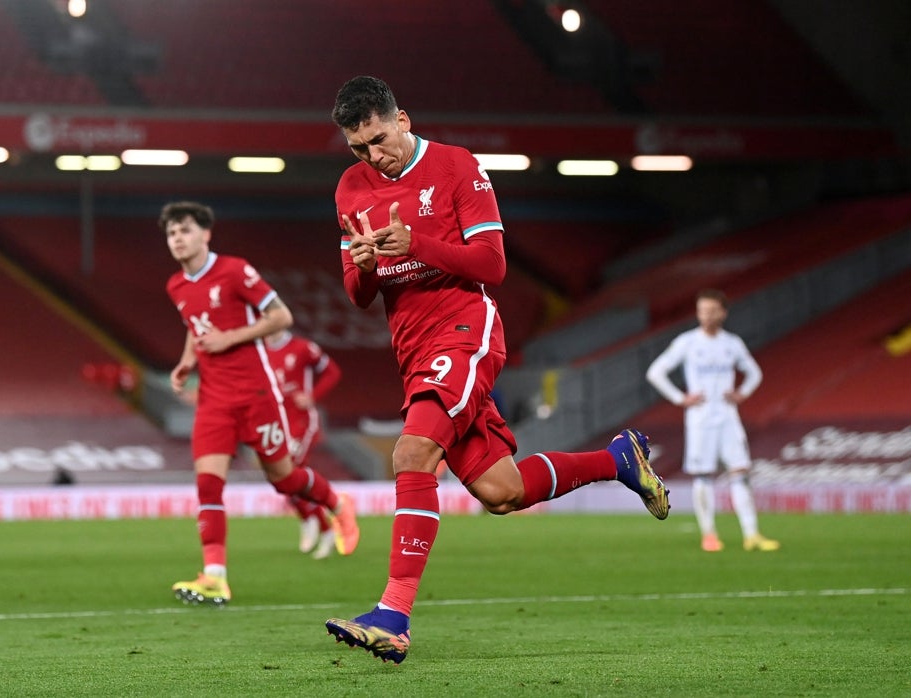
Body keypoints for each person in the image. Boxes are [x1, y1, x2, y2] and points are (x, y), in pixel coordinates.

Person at [322, 76, 670, 664]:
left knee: (410, 455)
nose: (372, 157)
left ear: (402, 119)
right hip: (413, 352)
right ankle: (620, 460)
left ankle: (393, 615)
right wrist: (362, 266)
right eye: (358, 148)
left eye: (378, 140)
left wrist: (416, 246)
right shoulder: (351, 188)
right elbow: (359, 294)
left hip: (464, 330)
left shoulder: (457, 167)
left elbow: (493, 264)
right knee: (501, 491)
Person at [161, 200, 360, 608]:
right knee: (208, 485)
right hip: (214, 399)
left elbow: (281, 316)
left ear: (205, 234)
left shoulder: (235, 270)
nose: (177, 239)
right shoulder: (176, 286)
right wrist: (186, 362)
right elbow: (195, 326)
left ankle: (338, 504)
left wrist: (230, 338)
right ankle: (215, 576)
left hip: (255, 394)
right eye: (171, 233)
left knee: (284, 479)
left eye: (184, 230)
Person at [646, 289, 779, 553]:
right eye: (701, 311)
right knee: (703, 475)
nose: (705, 316)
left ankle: (751, 534)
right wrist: (680, 397)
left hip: (728, 417)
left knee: (740, 471)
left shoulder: (732, 343)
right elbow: (655, 372)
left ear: (723, 313)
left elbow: (754, 372)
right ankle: (709, 535)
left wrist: (743, 393)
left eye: (711, 310)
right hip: (700, 419)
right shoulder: (687, 342)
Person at [264, 328, 344, 559]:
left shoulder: (302, 348)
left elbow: (332, 371)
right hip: (277, 424)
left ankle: (325, 529)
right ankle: (308, 518)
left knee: (290, 473)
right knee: (281, 479)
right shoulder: (260, 351)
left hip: (301, 421)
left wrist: (313, 397)